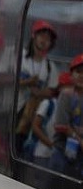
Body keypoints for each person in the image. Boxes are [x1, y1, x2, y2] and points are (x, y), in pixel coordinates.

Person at [15, 20, 59, 152]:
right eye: (42, 36)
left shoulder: (50, 67)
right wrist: (27, 83)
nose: (44, 40)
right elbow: (4, 79)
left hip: (31, 117)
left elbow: (53, 91)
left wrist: (39, 93)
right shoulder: (19, 56)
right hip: (11, 112)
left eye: (48, 38)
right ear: (34, 35)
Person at [30, 72, 73, 169]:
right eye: (67, 87)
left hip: (62, 156)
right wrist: (51, 144)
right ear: (60, 87)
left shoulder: (72, 108)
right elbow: (35, 126)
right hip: (43, 153)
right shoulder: (48, 103)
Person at [49, 54, 83, 177]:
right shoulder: (66, 94)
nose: (81, 75)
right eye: (78, 71)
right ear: (72, 74)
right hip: (62, 152)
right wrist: (79, 138)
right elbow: (61, 125)